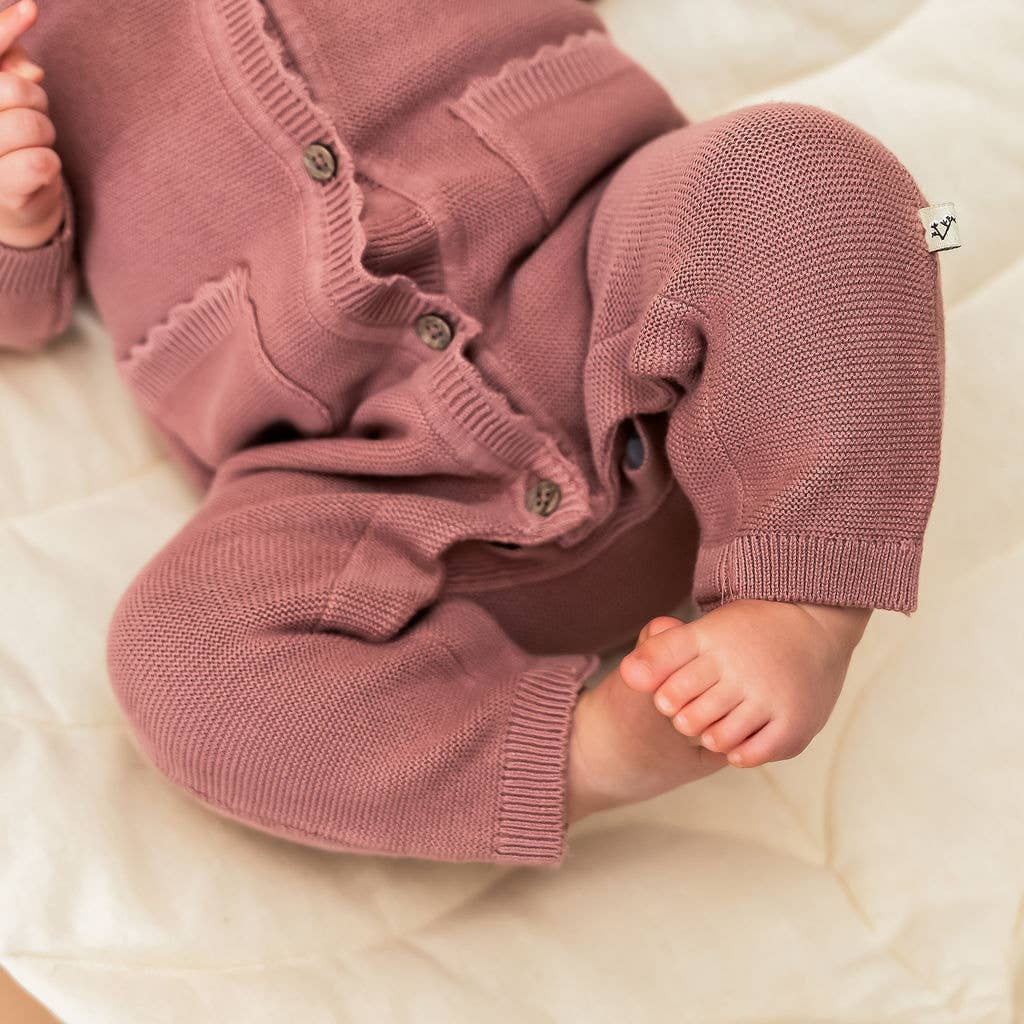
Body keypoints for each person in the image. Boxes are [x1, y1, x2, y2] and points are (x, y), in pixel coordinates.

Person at [0, 0, 945, 866]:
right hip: (356, 473)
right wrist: (17, 215)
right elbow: (24, 315)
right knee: (183, 662)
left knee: (794, 169)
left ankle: (805, 598)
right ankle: (587, 752)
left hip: (603, 279)